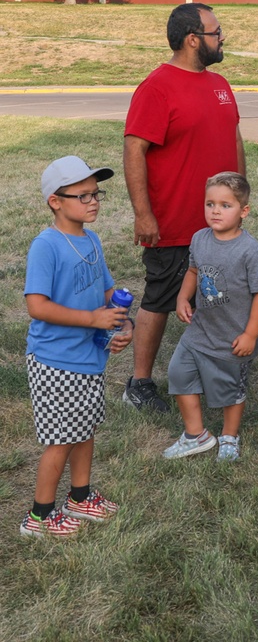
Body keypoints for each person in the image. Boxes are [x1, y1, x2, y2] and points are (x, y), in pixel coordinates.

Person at [123, 2, 246, 412]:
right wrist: (144, 213)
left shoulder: (221, 83)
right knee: (160, 297)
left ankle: (213, 369)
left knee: (220, 296)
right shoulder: (157, 87)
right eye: (216, 31)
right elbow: (134, 149)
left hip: (221, 220)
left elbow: (235, 138)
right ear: (193, 39)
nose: (221, 37)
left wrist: (240, 195)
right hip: (176, 221)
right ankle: (139, 382)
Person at [20, 156, 134, 537]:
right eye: (83, 195)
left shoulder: (91, 238)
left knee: (85, 428)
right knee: (61, 440)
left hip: (88, 356)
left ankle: (80, 497)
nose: (94, 202)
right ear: (56, 201)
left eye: (96, 193)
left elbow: (106, 291)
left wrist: (123, 324)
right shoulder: (47, 246)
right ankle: (39, 517)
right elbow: (37, 305)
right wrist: (91, 320)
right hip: (56, 360)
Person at [163, 172, 258, 462]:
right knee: (178, 373)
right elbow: (194, 271)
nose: (216, 211)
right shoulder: (199, 238)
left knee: (230, 391)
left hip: (232, 336)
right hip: (200, 331)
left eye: (226, 205)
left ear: (243, 211)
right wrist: (183, 297)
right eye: (210, 204)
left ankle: (229, 437)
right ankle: (195, 434)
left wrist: (250, 334)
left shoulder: (251, 251)